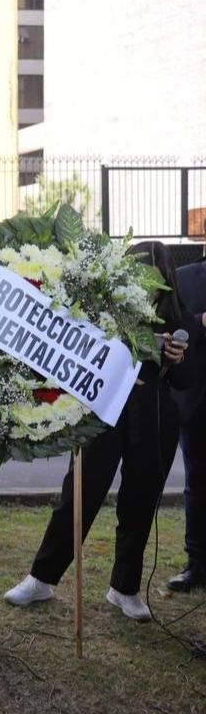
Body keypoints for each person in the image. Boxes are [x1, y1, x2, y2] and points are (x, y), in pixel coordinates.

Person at [4, 241, 193, 620]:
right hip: (103, 415)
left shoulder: (177, 317)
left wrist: (176, 359)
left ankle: (124, 588)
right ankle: (41, 578)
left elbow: (187, 381)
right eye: (138, 275)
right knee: (79, 495)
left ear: (166, 279)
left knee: (140, 503)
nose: (146, 285)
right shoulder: (102, 311)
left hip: (155, 418)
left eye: (154, 278)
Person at [170, 250, 206, 592]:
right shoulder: (183, 278)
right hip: (196, 401)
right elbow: (170, 326)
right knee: (197, 483)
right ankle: (197, 565)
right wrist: (200, 322)